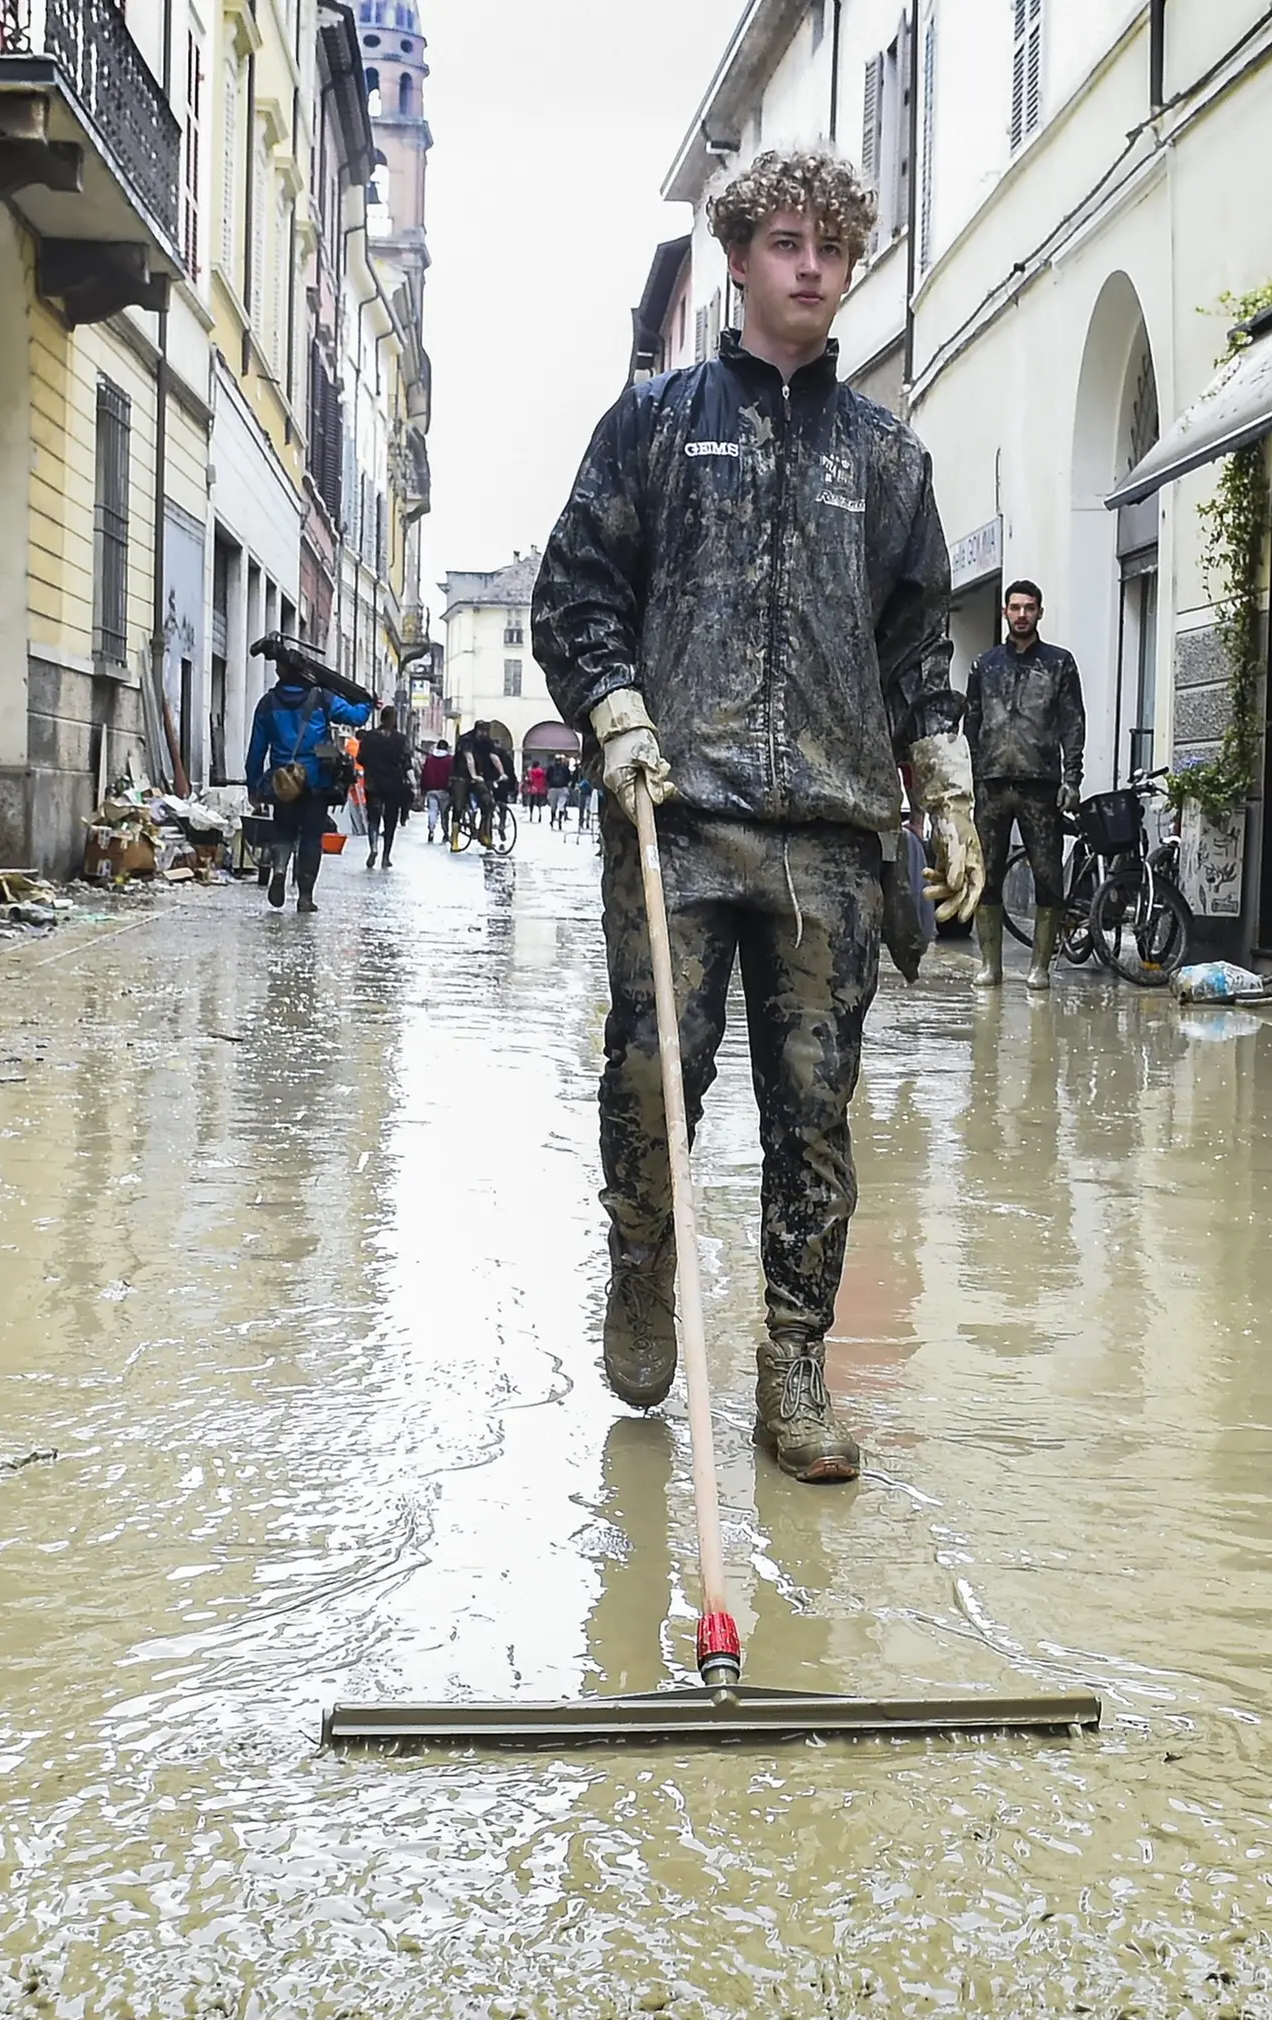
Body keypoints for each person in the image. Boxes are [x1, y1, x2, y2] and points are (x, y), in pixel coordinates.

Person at [533, 145, 971, 1483]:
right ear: (737, 260)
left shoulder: (888, 459)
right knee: (654, 1077)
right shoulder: (655, 427)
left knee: (814, 1110)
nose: (813, 269)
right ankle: (643, 1262)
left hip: (832, 841)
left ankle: (793, 1365)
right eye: (787, 243)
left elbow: (917, 649)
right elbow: (576, 591)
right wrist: (613, 712)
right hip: (677, 818)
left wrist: (941, 784)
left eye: (834, 249)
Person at [962, 579, 1087, 989]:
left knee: (1049, 878)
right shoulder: (984, 665)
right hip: (992, 784)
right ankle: (990, 965)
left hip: (1041, 785)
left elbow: (1073, 723)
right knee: (987, 876)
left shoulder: (1059, 664)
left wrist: (1072, 778)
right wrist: (971, 776)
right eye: (1015, 607)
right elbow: (972, 722)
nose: (1021, 614)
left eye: (1029, 608)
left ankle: (1040, 967)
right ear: (1004, 612)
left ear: (1039, 613)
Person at [243, 661, 374, 911]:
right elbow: (356, 716)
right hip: (316, 781)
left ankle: (279, 871)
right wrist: (367, 701)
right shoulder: (323, 697)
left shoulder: (267, 703)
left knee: (283, 831)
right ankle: (305, 897)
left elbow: (256, 749)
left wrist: (254, 786)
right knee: (312, 839)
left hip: (283, 781)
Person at [359, 717, 416, 868]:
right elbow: (406, 762)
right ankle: (386, 857)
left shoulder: (369, 737)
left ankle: (373, 848)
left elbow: (360, 758)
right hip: (393, 785)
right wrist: (413, 782)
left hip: (373, 783)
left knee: (373, 818)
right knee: (390, 821)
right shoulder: (401, 739)